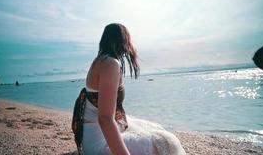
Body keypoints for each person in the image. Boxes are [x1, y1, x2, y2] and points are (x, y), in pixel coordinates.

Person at [72, 23, 186, 155]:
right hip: (99, 144)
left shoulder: (100, 61)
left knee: (156, 129)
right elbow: (105, 119)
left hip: (92, 135)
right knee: (166, 141)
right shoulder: (110, 64)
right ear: (123, 40)